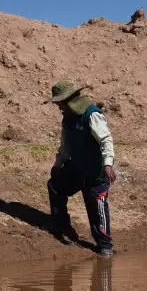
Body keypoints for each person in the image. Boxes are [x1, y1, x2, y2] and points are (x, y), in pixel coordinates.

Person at [46, 80, 116, 256]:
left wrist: (108, 164)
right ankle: (63, 228)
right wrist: (58, 165)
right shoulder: (67, 119)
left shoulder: (92, 115)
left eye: (60, 104)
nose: (59, 108)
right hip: (77, 169)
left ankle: (104, 246)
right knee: (55, 185)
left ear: (68, 101)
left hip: (96, 172)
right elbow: (65, 146)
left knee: (97, 207)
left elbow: (105, 140)